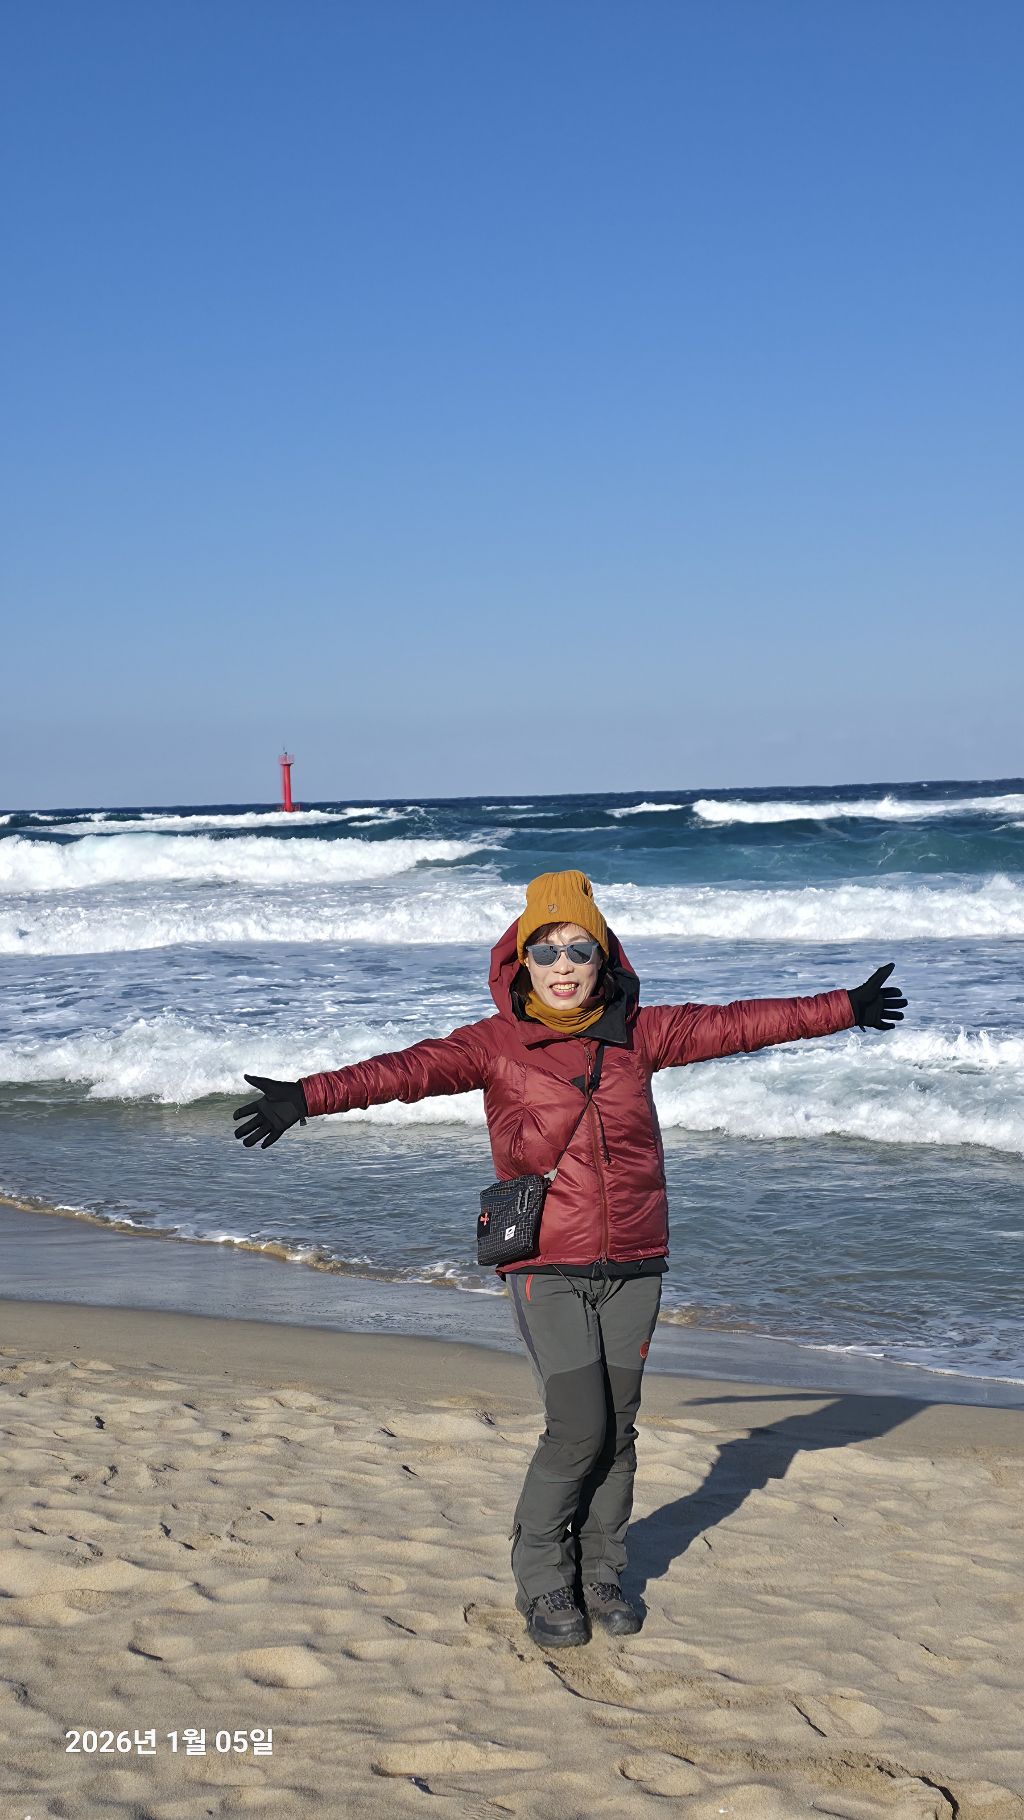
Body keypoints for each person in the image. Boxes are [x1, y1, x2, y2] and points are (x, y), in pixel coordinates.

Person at [233, 869, 907, 1651]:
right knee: (577, 1427)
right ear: (521, 961)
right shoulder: (495, 1046)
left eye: (579, 950)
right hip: (546, 1264)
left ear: (602, 959)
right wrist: (307, 1096)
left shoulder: (641, 1034)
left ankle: (602, 1572)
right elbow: (403, 1072)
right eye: (546, 951)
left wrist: (844, 1009)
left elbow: (740, 1023)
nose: (563, 966)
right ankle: (543, 1575)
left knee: (618, 1429)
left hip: (636, 1258)